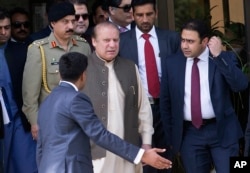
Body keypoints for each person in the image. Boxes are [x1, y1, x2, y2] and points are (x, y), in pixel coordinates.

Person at [36, 51, 172, 173]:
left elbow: (41, 146)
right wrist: (141, 155)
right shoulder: (76, 98)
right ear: (84, 75)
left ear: (60, 74)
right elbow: (99, 134)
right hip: (71, 168)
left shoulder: (48, 101)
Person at [160, 18, 248, 173]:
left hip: (222, 130)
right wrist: (173, 138)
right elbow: (166, 104)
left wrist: (218, 56)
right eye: (183, 40)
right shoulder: (172, 63)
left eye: (190, 41)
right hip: (190, 134)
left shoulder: (223, 58)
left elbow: (240, 85)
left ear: (204, 41)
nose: (184, 46)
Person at [82, 21, 153, 173]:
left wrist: (146, 142)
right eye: (106, 40)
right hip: (96, 155)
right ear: (94, 42)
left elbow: (143, 108)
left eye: (116, 40)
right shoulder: (82, 69)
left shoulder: (129, 67)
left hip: (129, 151)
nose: (112, 45)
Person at [119, 0, 180, 172]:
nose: (144, 19)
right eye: (139, 15)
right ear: (132, 15)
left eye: (149, 14)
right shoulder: (122, 41)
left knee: (165, 156)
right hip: (137, 107)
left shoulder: (171, 39)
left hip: (164, 106)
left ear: (156, 14)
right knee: (142, 159)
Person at [22, 1, 91, 141]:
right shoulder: (39, 49)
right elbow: (30, 95)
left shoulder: (83, 46)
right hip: (52, 120)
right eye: (65, 22)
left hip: (80, 119)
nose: (71, 26)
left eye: (73, 21)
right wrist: (35, 123)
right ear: (53, 23)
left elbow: (89, 83)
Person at [0, 7, 37, 173]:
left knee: (23, 164)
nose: (3, 32)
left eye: (7, 28)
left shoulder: (21, 51)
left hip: (16, 118)